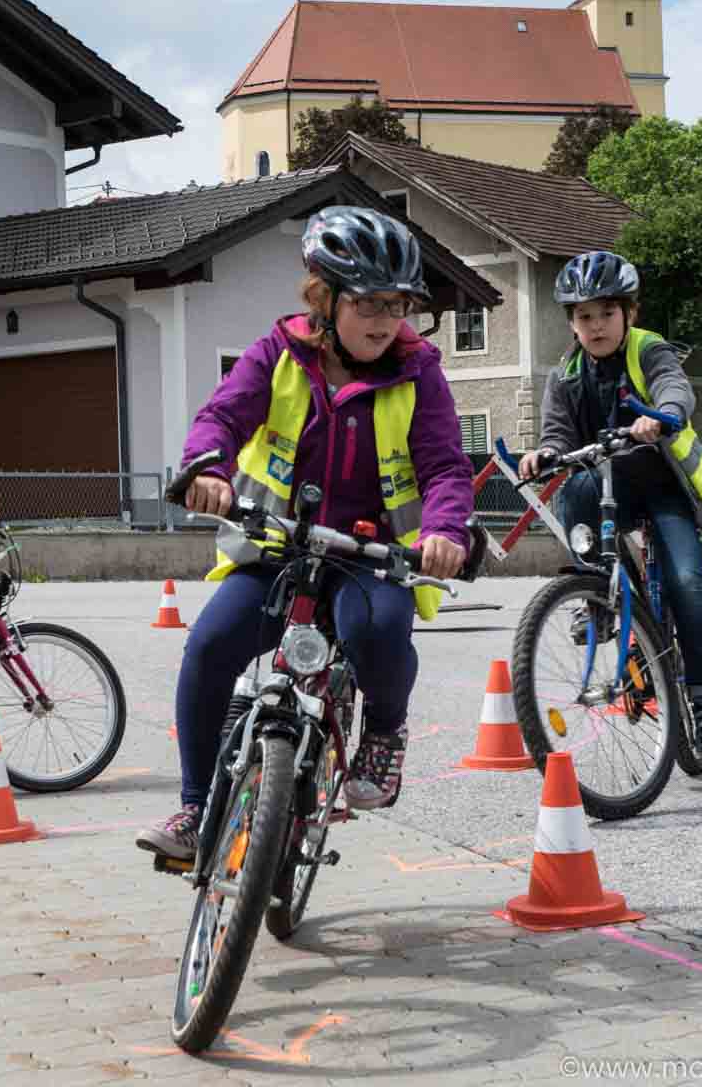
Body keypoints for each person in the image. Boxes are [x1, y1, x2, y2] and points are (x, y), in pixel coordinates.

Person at [136, 206, 474, 860]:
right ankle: (195, 810)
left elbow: (442, 464)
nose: (383, 319)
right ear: (326, 297)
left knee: (375, 632)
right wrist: (208, 467)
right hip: (277, 547)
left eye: (397, 303)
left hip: (371, 554)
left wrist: (445, 530)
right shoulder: (279, 355)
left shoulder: (418, 370)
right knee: (208, 648)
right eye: (368, 302)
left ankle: (382, 731)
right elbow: (224, 416)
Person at [518, 251, 702, 756]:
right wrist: (545, 453)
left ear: (628, 314)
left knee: (686, 584)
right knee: (574, 485)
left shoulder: (649, 350)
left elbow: (674, 387)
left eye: (606, 314)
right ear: (572, 323)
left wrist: (662, 414)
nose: (595, 326)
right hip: (609, 488)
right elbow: (556, 433)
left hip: (665, 487)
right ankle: (593, 588)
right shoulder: (566, 376)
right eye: (584, 316)